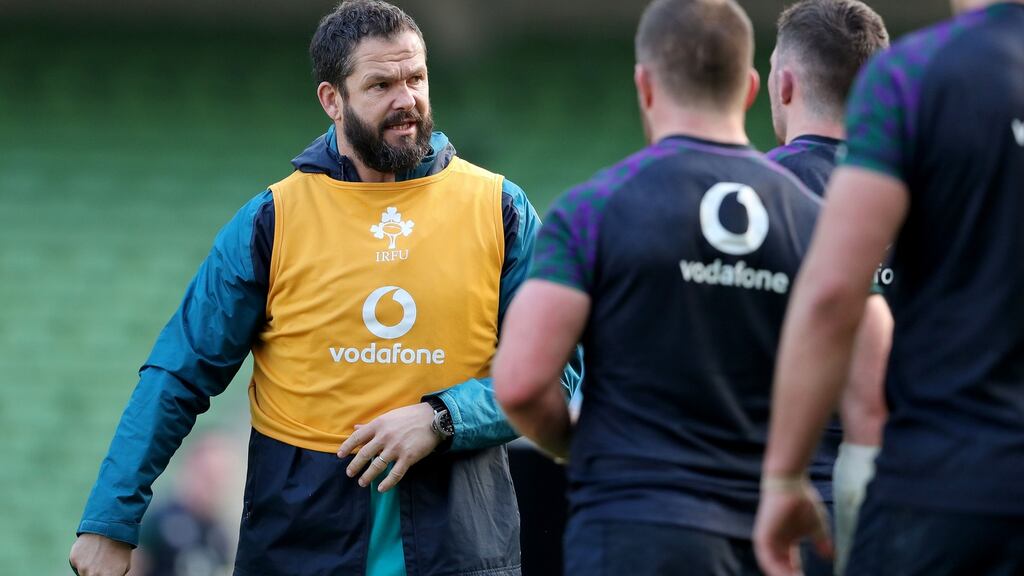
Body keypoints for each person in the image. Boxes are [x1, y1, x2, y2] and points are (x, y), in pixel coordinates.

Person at [68, 2, 580, 575]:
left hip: (459, 546)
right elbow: (178, 373)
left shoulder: (501, 210)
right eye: (381, 84)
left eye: (416, 78)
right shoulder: (272, 219)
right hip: (300, 548)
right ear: (331, 100)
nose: (406, 99)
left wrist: (443, 419)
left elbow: (558, 375)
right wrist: (109, 520)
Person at [494, 0, 825, 573]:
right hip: (768, 536)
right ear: (749, 88)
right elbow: (867, 364)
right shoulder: (814, 217)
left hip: (632, 525)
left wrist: (577, 445)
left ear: (644, 85)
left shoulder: (593, 208)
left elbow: (521, 384)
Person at [754, 0, 1024, 575]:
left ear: (783, 85)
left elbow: (831, 297)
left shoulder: (919, 78)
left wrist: (781, 474)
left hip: (935, 482)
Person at [764, 2, 891, 573]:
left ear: (784, 83)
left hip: (781, 504)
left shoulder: (749, 196)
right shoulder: (931, 193)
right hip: (911, 495)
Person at [131, 434, 239, 576]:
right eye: (207, 476)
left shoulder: (220, 533)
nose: (212, 486)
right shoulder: (159, 518)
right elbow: (132, 568)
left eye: (219, 478)